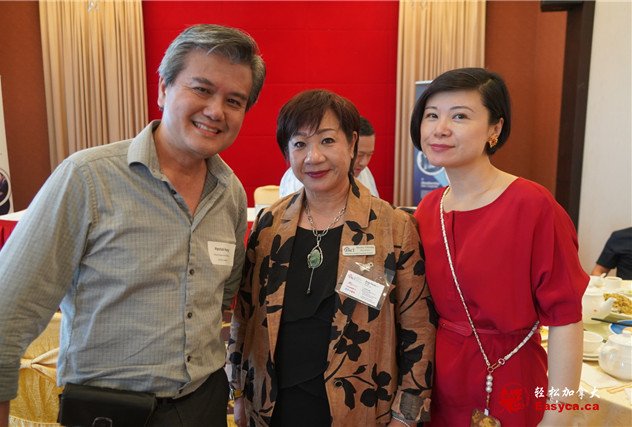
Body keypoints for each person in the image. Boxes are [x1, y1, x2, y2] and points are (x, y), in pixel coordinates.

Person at [0, 24, 265, 427]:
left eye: (234, 101)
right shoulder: (87, 178)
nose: (215, 111)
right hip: (109, 412)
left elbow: (220, 297)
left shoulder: (230, 194)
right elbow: (4, 313)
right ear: (163, 89)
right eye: (202, 89)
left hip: (204, 404)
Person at [227, 89, 435, 427]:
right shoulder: (269, 224)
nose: (313, 157)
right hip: (272, 407)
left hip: (361, 407)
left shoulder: (393, 226)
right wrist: (237, 391)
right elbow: (245, 313)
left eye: (327, 141)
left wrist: (406, 416)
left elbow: (419, 329)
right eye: (299, 144)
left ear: (351, 143)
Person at [410, 68, 588, 426]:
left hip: (512, 376)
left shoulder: (533, 205)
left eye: (460, 116)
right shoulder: (428, 209)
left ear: (495, 128)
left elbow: (566, 321)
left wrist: (560, 417)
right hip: (438, 382)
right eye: (431, 115)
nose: (440, 128)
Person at [279, 116, 380, 198]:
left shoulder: (364, 171)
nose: (364, 163)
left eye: (369, 155)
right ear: (350, 146)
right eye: (359, 155)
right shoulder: (306, 176)